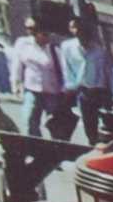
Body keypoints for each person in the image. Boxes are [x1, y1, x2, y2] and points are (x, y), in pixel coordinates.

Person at [8, 13, 69, 142]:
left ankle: (57, 149)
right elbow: (16, 65)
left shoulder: (54, 50)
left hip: (52, 92)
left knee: (55, 124)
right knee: (29, 119)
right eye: (29, 29)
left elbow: (64, 71)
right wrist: (15, 83)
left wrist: (64, 91)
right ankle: (36, 148)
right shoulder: (23, 44)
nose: (46, 36)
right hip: (32, 89)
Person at [61, 7, 113, 144]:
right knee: (88, 124)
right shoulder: (67, 47)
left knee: (103, 124)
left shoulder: (99, 51)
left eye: (81, 30)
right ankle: (92, 144)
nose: (78, 33)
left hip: (100, 91)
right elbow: (66, 68)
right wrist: (70, 86)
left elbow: (109, 73)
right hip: (83, 91)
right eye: (74, 29)